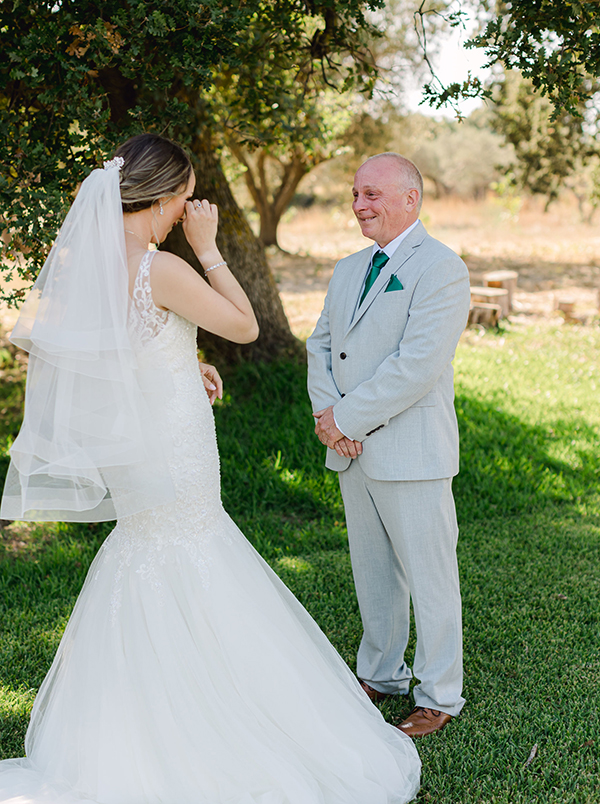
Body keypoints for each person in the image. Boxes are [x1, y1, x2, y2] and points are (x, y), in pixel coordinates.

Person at [0, 135, 420, 804]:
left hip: (135, 443)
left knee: (147, 550)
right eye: (182, 199)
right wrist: (209, 247)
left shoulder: (92, 267)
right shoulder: (158, 266)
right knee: (191, 547)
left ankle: (139, 721)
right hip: (171, 442)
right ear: (163, 197)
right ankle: (210, 723)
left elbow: (107, 357)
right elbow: (245, 325)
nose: (184, 210)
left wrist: (178, 360)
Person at [307, 153, 471, 739]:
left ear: (411, 199)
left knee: (429, 577)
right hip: (352, 449)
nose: (359, 205)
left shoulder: (442, 269)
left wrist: (345, 419)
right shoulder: (348, 268)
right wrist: (329, 419)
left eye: (372, 194)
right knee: (372, 570)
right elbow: (320, 344)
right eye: (355, 194)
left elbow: (418, 366)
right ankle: (381, 671)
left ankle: (439, 693)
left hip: (411, 448)